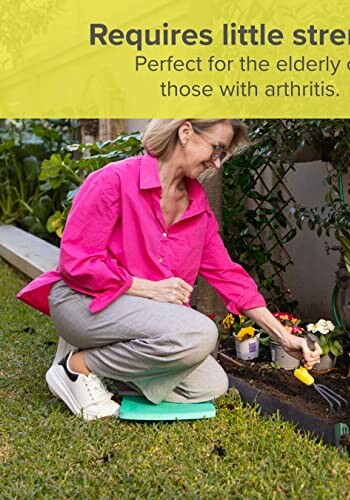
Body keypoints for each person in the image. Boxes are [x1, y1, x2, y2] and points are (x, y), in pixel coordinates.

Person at [17, 119, 322, 420]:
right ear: (186, 132)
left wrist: (283, 336)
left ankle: (112, 371)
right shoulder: (114, 181)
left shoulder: (198, 209)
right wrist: (147, 287)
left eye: (222, 155)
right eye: (216, 149)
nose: (216, 164)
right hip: (83, 303)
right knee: (201, 332)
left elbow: (228, 276)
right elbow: (77, 262)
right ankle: (76, 367)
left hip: (140, 321)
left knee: (211, 385)